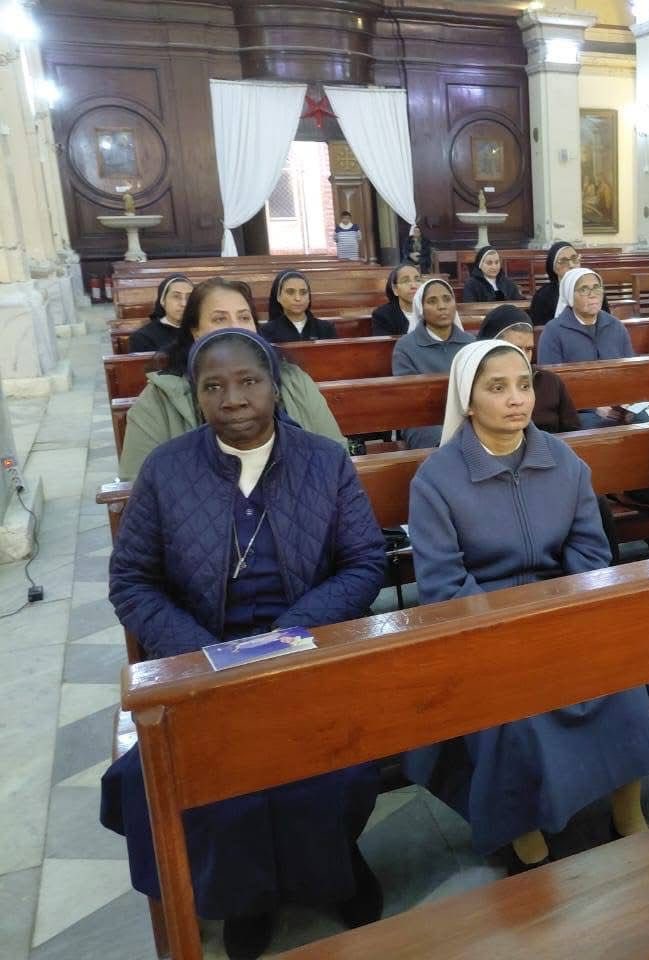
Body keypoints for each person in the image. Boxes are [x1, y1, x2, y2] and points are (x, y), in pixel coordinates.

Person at [101, 327, 387, 960]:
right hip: (203, 657)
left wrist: (295, 630)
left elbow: (366, 561)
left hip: (306, 648)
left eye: (248, 381)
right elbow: (132, 581)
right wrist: (200, 651)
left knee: (332, 765)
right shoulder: (167, 470)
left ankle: (337, 867)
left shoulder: (324, 460)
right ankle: (246, 899)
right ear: (196, 397)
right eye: (213, 386)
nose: (232, 398)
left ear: (275, 388)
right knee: (208, 778)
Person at [402, 339, 649, 873]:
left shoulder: (563, 460)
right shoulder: (437, 480)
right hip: (484, 624)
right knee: (513, 713)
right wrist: (509, 629)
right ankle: (526, 838)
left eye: (524, 385)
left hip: (564, 610)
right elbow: (443, 584)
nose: (516, 399)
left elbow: (591, 551)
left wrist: (562, 616)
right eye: (497, 387)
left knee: (628, 674)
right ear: (468, 400)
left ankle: (627, 810)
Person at [118, 278, 345, 480]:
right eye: (219, 319)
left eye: (244, 317)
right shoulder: (159, 398)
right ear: (195, 332)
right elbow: (140, 486)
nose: (236, 328)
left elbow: (336, 460)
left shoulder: (293, 381)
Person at [537, 267, 644, 429]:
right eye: (584, 289)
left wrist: (628, 403)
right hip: (578, 410)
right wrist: (593, 407)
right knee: (597, 427)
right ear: (570, 296)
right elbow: (550, 385)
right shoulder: (553, 332)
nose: (592, 294)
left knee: (647, 424)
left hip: (619, 406)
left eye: (596, 287)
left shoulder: (615, 326)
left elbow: (631, 372)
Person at [392, 277, 475, 448]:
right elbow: (410, 403)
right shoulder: (406, 347)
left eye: (447, 299)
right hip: (424, 423)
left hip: (469, 419)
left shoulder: (471, 343)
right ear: (420, 308)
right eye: (432, 301)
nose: (442, 306)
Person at [476, 304, 579, 432]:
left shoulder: (550, 382)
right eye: (516, 348)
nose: (523, 356)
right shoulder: (477, 384)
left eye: (529, 349)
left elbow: (573, 431)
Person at [528, 241, 610, 326]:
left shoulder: (594, 289)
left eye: (574, 258)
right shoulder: (543, 295)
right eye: (563, 261)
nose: (571, 265)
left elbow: (607, 323)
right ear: (554, 268)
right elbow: (540, 329)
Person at [259, 270, 337, 342]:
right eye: (290, 292)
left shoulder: (326, 328)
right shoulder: (266, 332)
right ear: (278, 297)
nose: (298, 298)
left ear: (309, 298)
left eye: (303, 292)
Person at [127, 274, 192, 353]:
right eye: (176, 296)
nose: (184, 303)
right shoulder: (142, 338)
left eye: (189, 297)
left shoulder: (200, 330)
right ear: (162, 301)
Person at [371, 263, 421, 337]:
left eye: (417, 280)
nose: (414, 286)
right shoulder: (383, 315)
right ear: (395, 289)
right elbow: (385, 344)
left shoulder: (430, 310)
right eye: (406, 281)